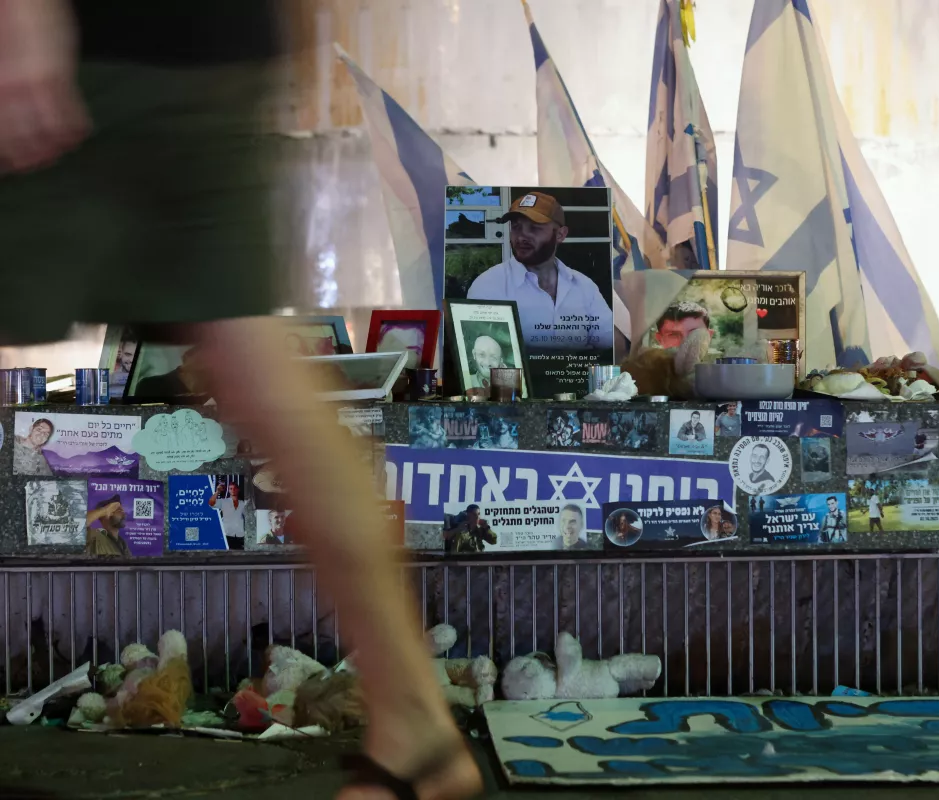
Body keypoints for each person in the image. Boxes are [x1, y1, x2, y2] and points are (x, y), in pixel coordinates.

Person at [0, 1, 481, 795]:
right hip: (213, 50)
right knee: (256, 365)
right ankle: (417, 725)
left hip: (95, 51)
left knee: (253, 364)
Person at [467, 191, 613, 351]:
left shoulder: (584, 286)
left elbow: (609, 345)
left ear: (560, 234)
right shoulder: (488, 286)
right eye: (516, 227)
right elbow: (483, 354)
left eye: (535, 228)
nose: (522, 236)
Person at [134, 346, 207, 399]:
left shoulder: (213, 392)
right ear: (185, 358)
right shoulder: (149, 386)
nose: (205, 366)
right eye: (202, 360)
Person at [208, 481, 246, 550]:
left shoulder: (243, 503)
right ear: (228, 491)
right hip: (227, 534)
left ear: (238, 490)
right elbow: (211, 503)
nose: (233, 490)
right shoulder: (223, 501)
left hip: (240, 534)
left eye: (234, 488)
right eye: (231, 489)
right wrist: (217, 492)